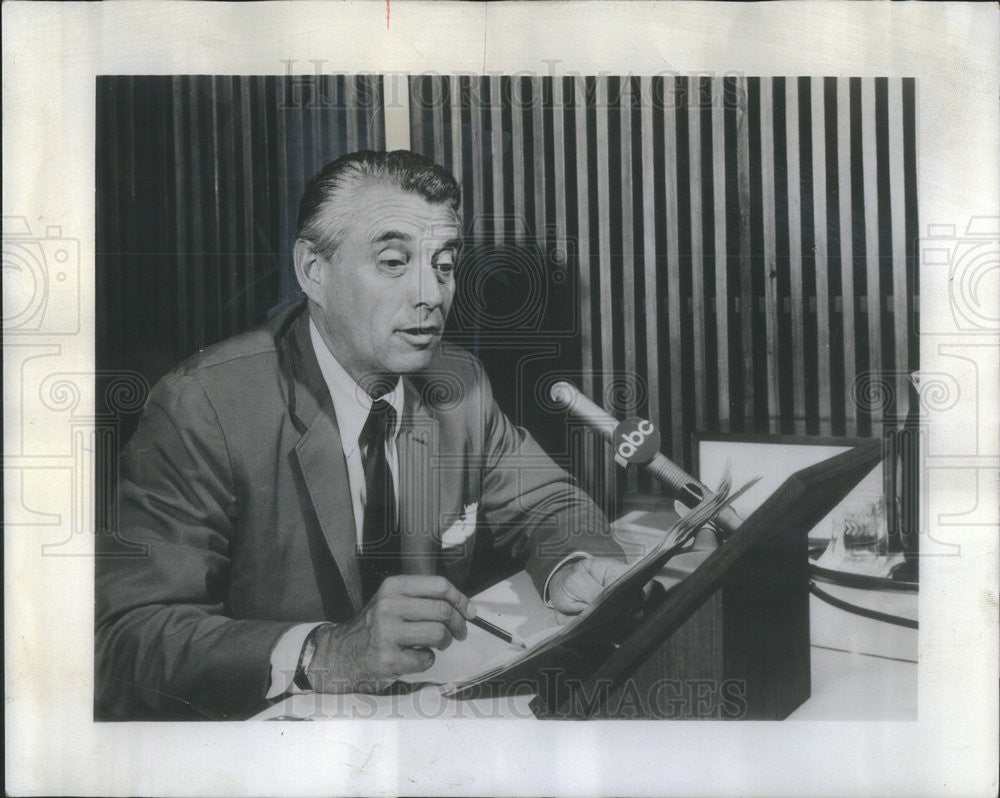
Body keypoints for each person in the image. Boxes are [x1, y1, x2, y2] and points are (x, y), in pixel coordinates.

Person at [95, 150, 627, 720]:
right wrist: (324, 652)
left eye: (444, 264)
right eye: (395, 262)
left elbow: (549, 502)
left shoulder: (459, 384)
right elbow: (126, 640)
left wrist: (573, 563)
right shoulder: (204, 407)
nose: (432, 295)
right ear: (312, 272)